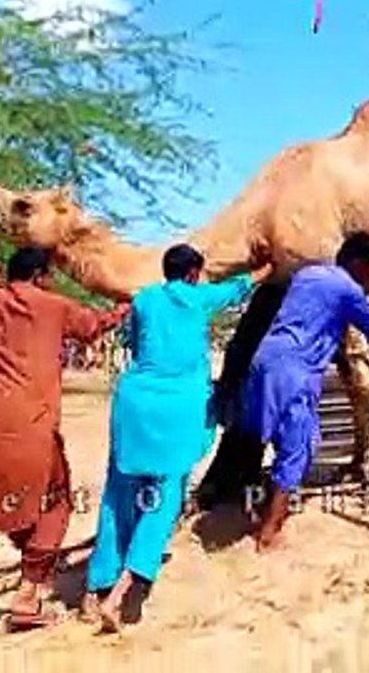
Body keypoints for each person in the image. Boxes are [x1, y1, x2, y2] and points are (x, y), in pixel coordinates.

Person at [0, 222, 129, 639]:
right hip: (30, 423)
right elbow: (96, 325)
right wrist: (126, 306)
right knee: (53, 501)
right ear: (41, 277)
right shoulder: (55, 306)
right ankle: (28, 596)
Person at [81, 243, 273, 633]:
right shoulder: (199, 297)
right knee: (163, 496)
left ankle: (93, 589)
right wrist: (271, 266)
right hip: (178, 407)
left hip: (134, 402)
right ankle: (121, 593)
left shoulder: (144, 299)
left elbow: (133, 343)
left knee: (119, 491)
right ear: (191, 273)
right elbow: (240, 287)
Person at [241, 232, 369, 551]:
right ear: (357, 263)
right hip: (296, 370)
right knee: (301, 447)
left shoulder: (307, 275)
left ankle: (266, 508)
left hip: (266, 359)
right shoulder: (348, 289)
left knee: (278, 439)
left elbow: (317, 318)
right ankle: (269, 534)